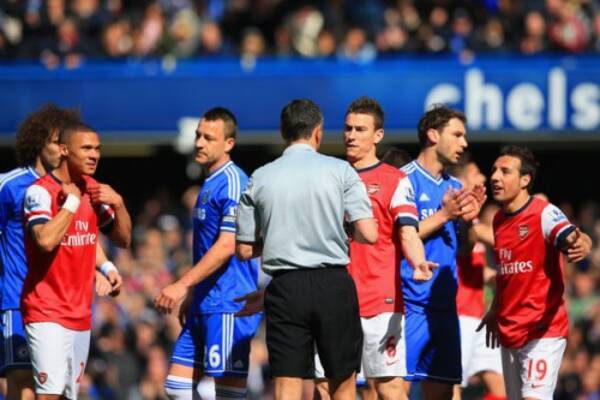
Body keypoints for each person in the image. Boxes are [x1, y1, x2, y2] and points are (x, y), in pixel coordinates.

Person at [235, 98, 377, 400]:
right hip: (333, 283)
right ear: (318, 132)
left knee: (287, 383)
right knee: (342, 382)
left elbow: (244, 250)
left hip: (285, 288)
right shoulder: (341, 171)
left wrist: (280, 237)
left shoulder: (260, 177)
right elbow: (369, 233)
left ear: (282, 132)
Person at [314, 97, 436, 400]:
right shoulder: (328, 176)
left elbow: (408, 231)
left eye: (360, 129)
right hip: (333, 298)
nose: (351, 135)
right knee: (326, 386)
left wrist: (418, 261)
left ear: (378, 135)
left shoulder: (395, 180)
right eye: (348, 128)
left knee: (389, 388)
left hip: (379, 301)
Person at [0, 105, 121, 400]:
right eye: (56, 142)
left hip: (63, 304)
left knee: (60, 390)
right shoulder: (10, 185)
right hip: (17, 298)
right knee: (23, 381)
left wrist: (103, 267)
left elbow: (82, 237)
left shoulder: (77, 188)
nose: (62, 150)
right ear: (39, 143)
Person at [154, 107, 261, 400]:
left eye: (209, 138)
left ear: (229, 143)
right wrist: (194, 292)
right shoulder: (210, 182)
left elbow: (227, 245)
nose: (199, 143)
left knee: (227, 394)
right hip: (204, 300)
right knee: (176, 387)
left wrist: (181, 285)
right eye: (198, 135)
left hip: (228, 302)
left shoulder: (234, 182)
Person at [478, 145, 592, 400]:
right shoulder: (498, 220)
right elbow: (507, 273)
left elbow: (571, 236)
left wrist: (584, 241)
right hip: (510, 331)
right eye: (494, 170)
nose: (495, 177)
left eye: (505, 171)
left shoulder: (543, 212)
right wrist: (496, 309)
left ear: (525, 180)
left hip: (543, 332)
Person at [399, 105, 484, 399]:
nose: (464, 143)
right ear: (433, 135)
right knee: (393, 391)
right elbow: (399, 236)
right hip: (408, 305)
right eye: (457, 135)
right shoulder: (403, 180)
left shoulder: (456, 186)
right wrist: (445, 215)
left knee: (443, 394)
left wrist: (469, 221)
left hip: (445, 307)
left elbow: (466, 248)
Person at [447, 153, 505, 400]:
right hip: (459, 312)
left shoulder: (473, 218)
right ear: (462, 180)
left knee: (500, 388)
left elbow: (468, 263)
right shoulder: (458, 217)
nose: (484, 177)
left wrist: (491, 276)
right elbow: (468, 246)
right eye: (476, 173)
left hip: (478, 314)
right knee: (452, 385)